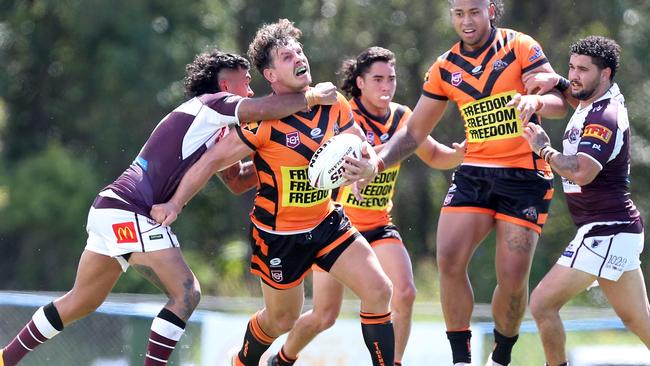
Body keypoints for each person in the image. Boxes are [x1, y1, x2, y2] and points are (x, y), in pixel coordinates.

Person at [0, 49, 340, 366]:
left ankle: (6, 358)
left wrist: (295, 163)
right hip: (130, 210)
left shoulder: (215, 128)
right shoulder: (213, 103)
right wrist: (309, 96)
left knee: (82, 301)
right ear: (226, 84)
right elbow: (267, 108)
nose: (251, 89)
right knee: (187, 291)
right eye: (246, 80)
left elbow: (237, 181)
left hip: (111, 208)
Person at [149, 19, 396, 366]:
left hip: (328, 223)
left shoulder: (333, 102)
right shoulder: (261, 121)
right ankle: (243, 362)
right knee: (281, 320)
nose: (298, 57)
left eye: (299, 50)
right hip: (278, 236)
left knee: (380, 290)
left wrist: (368, 165)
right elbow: (211, 161)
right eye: (285, 56)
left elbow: (357, 138)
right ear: (271, 75)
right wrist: (175, 203)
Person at [342, 1, 570, 365]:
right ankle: (461, 359)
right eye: (458, 13)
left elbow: (561, 100)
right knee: (448, 257)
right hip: (475, 171)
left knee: (511, 281)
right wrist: (377, 163)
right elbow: (414, 132)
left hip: (524, 176)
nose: (466, 21)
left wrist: (537, 99)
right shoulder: (445, 67)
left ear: (491, 10)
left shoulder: (520, 46)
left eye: (474, 12)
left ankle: (501, 355)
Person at [266, 46, 465, 366]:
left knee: (405, 293)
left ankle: (393, 362)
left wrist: (459, 154)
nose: (386, 86)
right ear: (359, 82)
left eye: (391, 79)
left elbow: (435, 155)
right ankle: (283, 359)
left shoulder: (403, 117)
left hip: (379, 224)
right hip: (339, 228)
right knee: (324, 315)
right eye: (377, 79)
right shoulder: (344, 114)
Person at [522, 35, 650, 366]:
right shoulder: (592, 101)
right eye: (571, 67)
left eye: (583, 70)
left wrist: (544, 149)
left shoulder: (604, 115)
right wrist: (559, 81)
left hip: (605, 229)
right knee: (639, 322)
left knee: (541, 304)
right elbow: (575, 92)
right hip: (617, 229)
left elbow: (581, 172)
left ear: (605, 74)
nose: (575, 75)